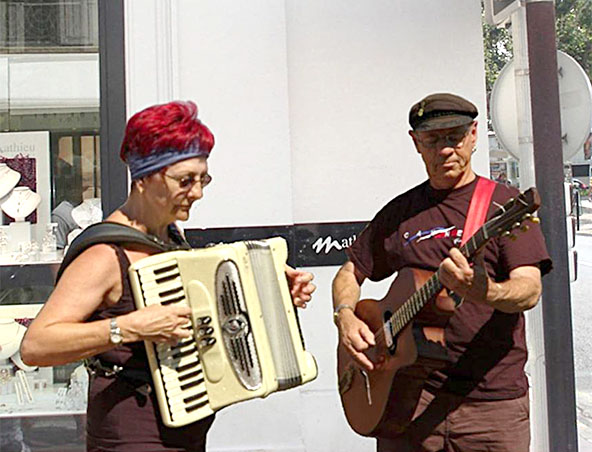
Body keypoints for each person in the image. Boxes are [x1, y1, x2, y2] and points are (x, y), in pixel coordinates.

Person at [20, 101, 316, 452]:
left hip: (185, 424)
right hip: (131, 429)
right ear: (144, 178)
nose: (198, 192)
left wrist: (270, 288)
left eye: (203, 178)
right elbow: (36, 345)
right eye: (185, 180)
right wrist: (130, 327)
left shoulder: (170, 236)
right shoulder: (104, 255)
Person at [332, 93, 551, 452]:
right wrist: (345, 316)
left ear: (475, 135)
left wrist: (483, 291)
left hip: (491, 407)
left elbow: (529, 290)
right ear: (416, 142)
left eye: (455, 136)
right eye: (433, 139)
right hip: (408, 401)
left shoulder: (504, 206)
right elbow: (350, 271)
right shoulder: (401, 212)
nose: (446, 149)